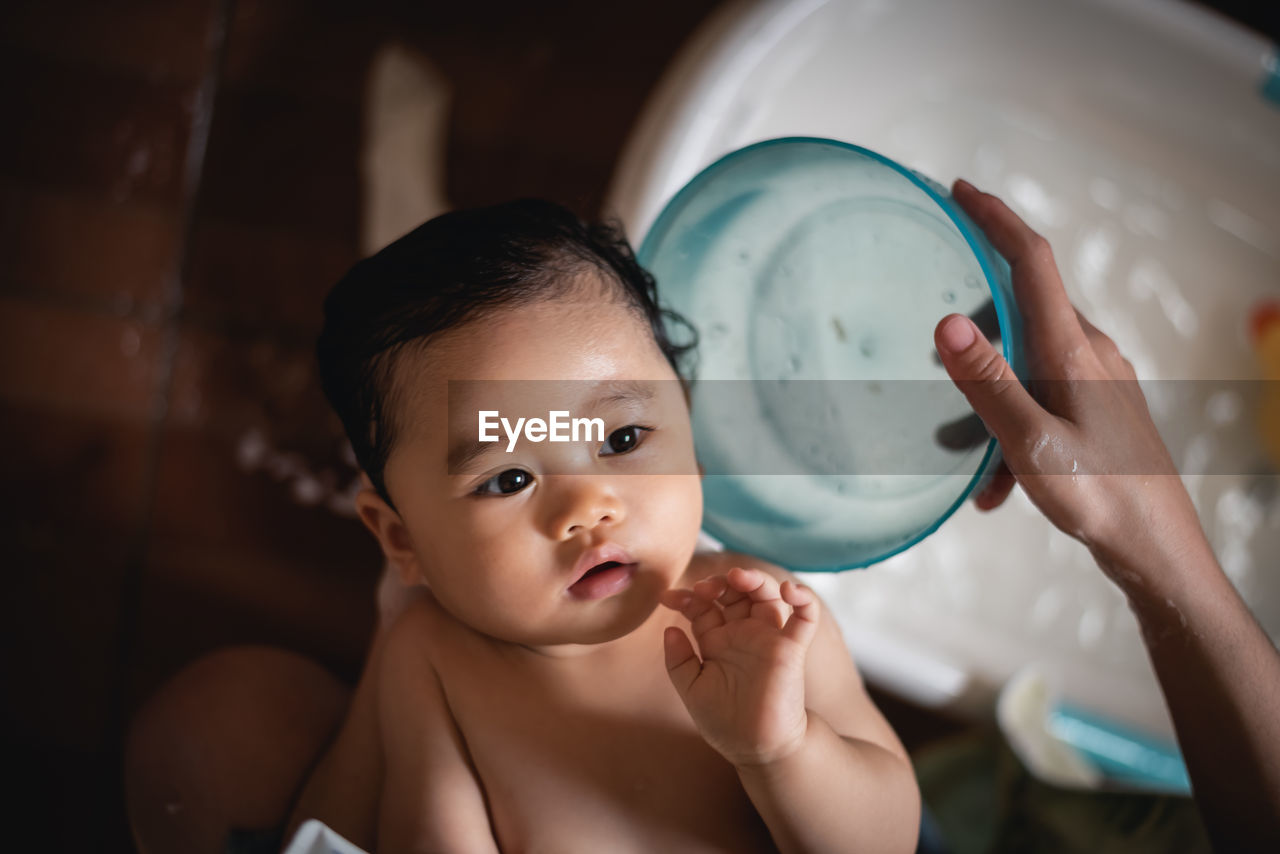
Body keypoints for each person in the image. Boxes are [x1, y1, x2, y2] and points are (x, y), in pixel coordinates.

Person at [123, 180, 1280, 853]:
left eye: (624, 439)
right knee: (197, 735)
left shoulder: (760, 614)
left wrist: (778, 751)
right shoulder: (426, 654)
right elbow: (401, 809)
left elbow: (880, 835)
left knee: (215, 733)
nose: (586, 503)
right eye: (506, 478)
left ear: (691, 428)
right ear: (402, 538)